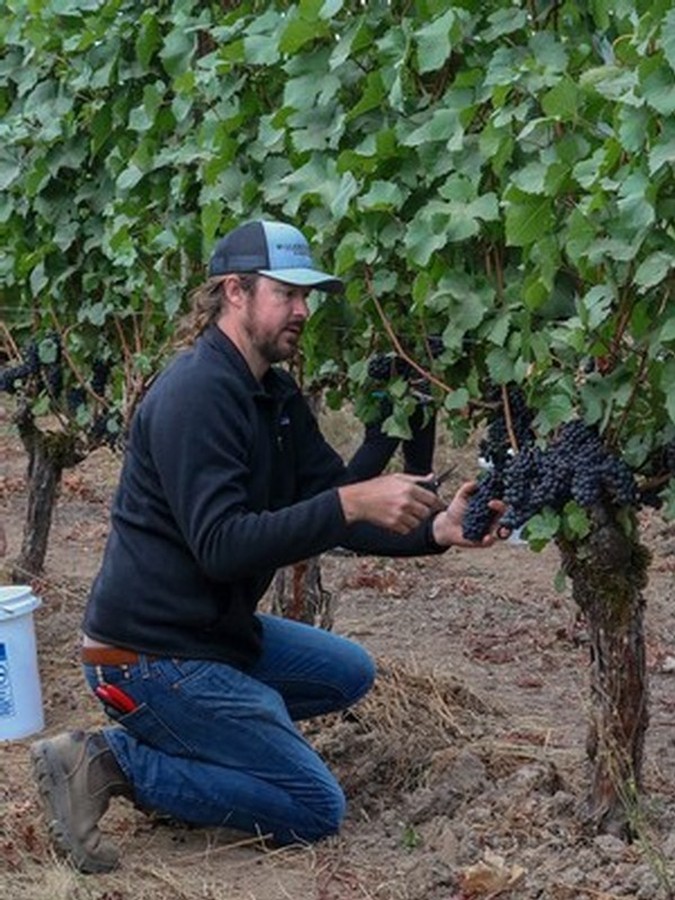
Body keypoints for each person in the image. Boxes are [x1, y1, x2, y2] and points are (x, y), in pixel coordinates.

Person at [30, 219, 504, 874]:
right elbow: (223, 547)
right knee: (313, 805)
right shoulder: (196, 395)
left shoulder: (271, 395)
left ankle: (216, 746)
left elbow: (332, 504)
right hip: (145, 656)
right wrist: (347, 502)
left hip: (211, 635)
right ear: (234, 291)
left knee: (348, 672)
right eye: (287, 294)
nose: (304, 310)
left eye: (307, 295)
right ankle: (110, 761)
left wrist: (435, 531)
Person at [347, 353, 438, 480]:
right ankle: (344, 495)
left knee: (420, 464)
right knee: (378, 447)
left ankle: (421, 495)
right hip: (387, 386)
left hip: (421, 387)